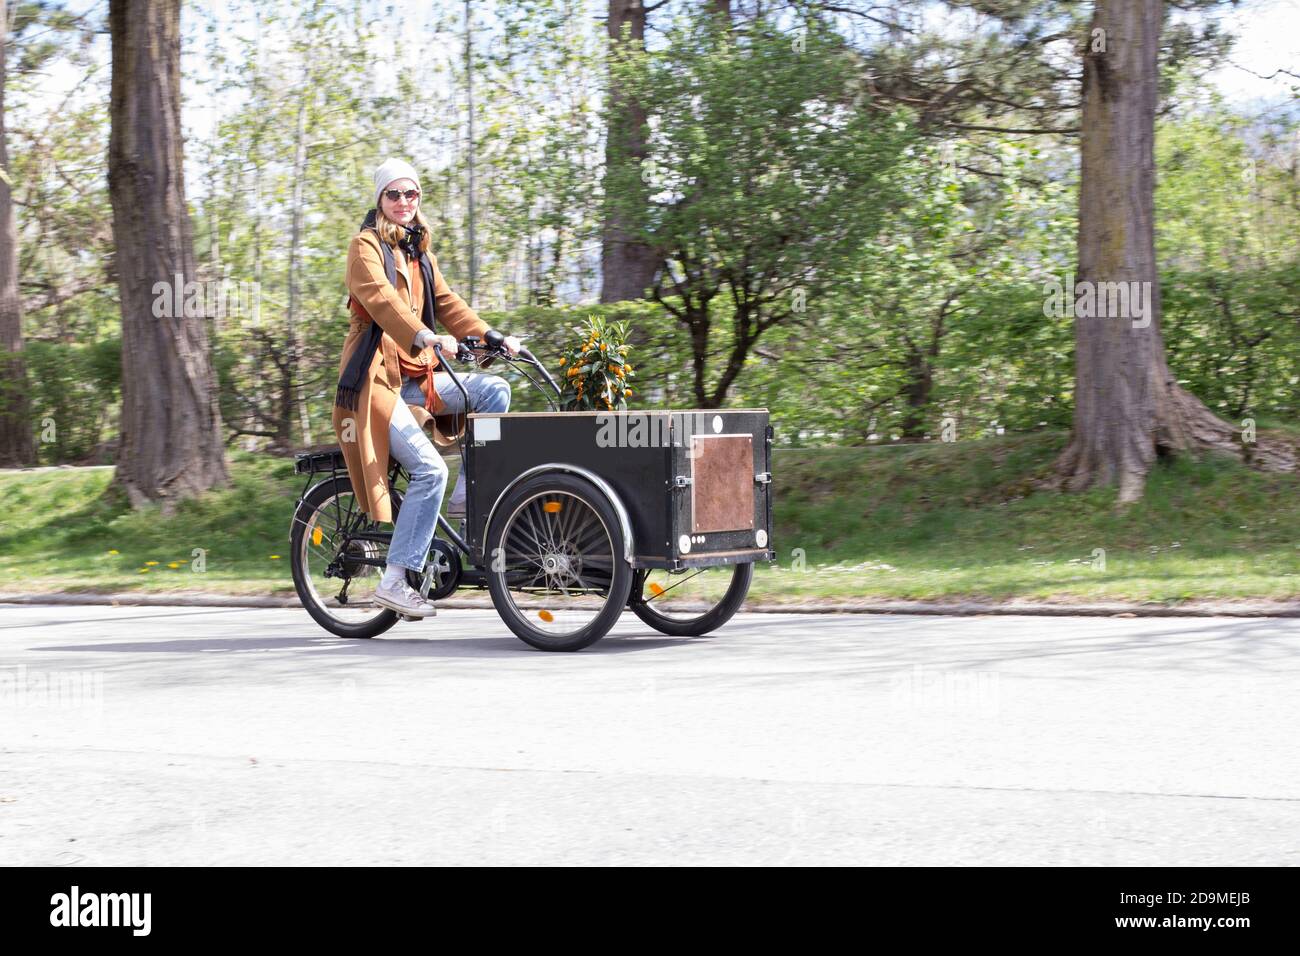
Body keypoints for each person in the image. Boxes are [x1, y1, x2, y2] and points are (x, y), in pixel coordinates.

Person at [331, 158, 519, 618]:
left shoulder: (420, 253)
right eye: (393, 194)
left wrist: (491, 335)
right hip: (377, 383)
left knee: (494, 392)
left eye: (411, 194)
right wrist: (423, 335)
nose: (403, 202)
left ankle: (466, 499)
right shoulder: (365, 247)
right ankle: (395, 580)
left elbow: (450, 304)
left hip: (419, 381)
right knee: (429, 470)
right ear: (380, 199)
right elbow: (382, 300)